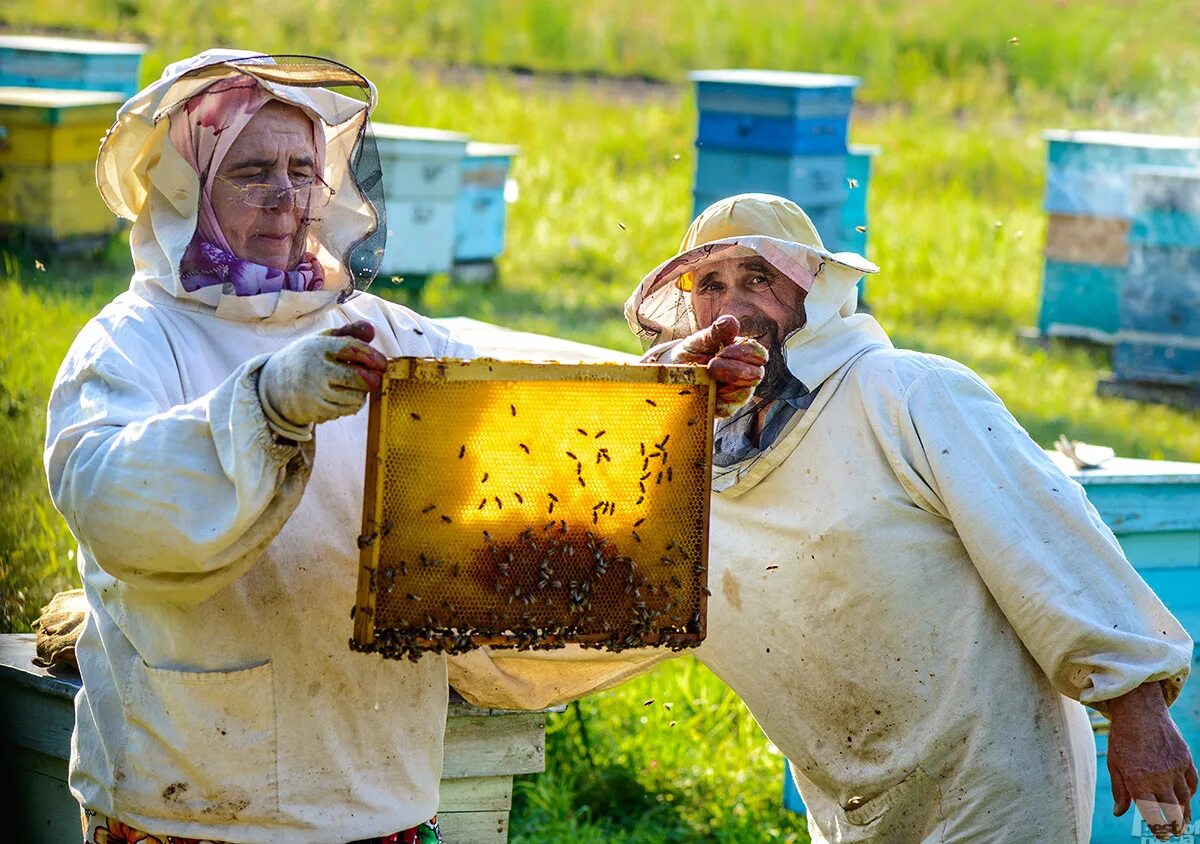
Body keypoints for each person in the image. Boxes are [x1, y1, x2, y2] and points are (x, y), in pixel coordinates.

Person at [44, 49, 765, 843]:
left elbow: (525, 398)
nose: (288, 199)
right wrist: (266, 403)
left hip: (380, 790)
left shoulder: (379, 331)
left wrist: (654, 390)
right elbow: (110, 499)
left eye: (301, 170)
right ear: (185, 189)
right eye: (251, 172)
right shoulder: (132, 342)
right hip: (188, 797)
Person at [448, 193, 1198, 843]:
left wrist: (1133, 703)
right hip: (850, 802)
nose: (734, 302)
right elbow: (593, 577)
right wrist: (460, 661)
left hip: (992, 779)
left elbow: (1045, 540)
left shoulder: (905, 393)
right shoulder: (687, 462)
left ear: (813, 292)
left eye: (760, 278)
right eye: (711, 284)